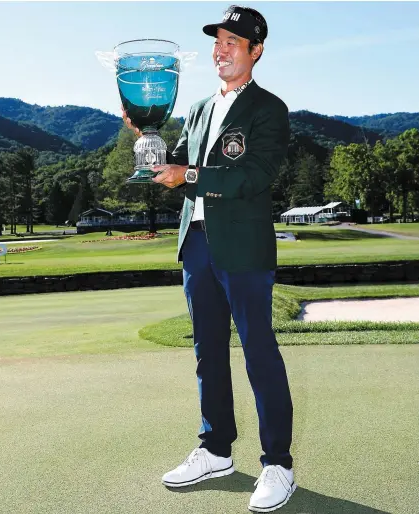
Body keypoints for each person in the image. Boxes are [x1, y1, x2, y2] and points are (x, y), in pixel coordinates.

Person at [123, 5, 294, 512]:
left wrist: (189, 176)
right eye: (217, 41)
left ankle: (277, 463)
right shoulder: (197, 109)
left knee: (259, 352)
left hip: (243, 247)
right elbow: (175, 166)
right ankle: (216, 448)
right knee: (207, 352)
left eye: (232, 43)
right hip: (196, 243)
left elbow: (252, 177)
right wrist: (147, 138)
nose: (221, 50)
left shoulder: (268, 109)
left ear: (255, 51)